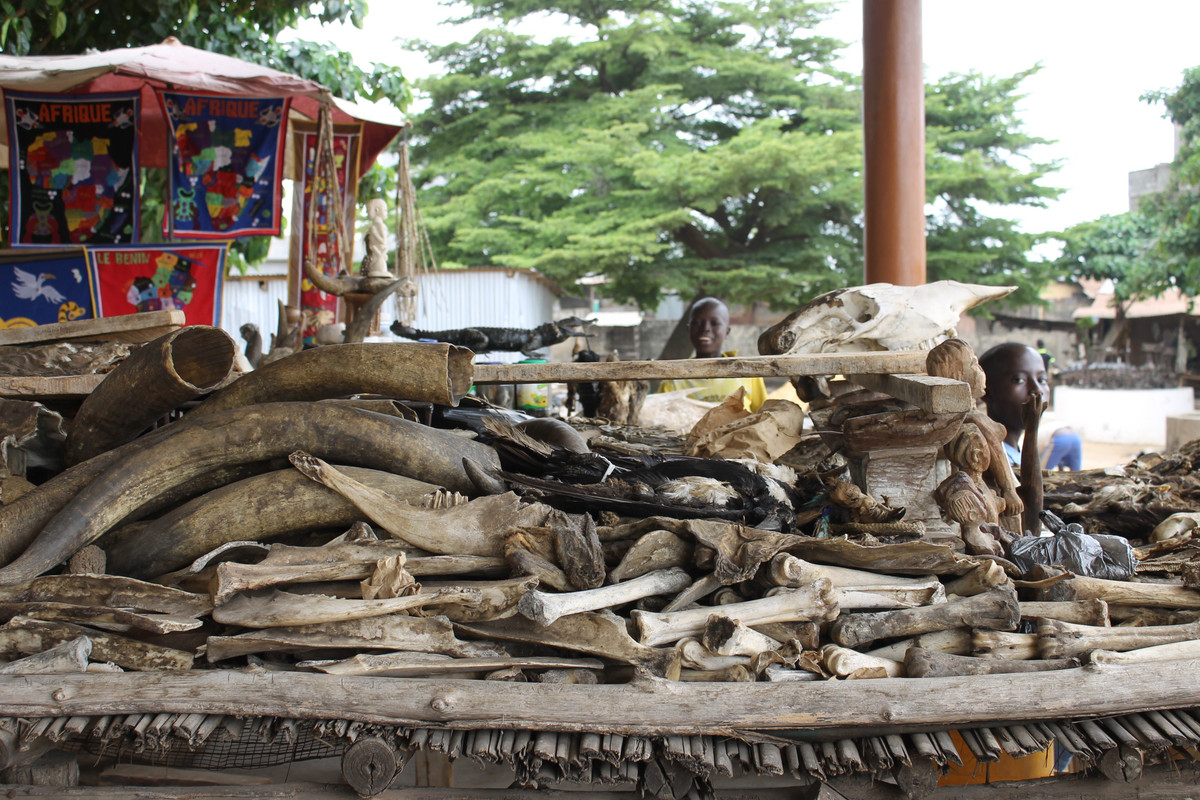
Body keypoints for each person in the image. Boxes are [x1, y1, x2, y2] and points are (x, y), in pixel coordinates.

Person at [657, 297, 767, 412]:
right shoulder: (673, 381)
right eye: (697, 323)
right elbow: (660, 419)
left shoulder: (749, 373)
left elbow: (764, 415)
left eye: (715, 323)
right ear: (688, 330)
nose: (705, 328)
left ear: (727, 332)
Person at [978, 342, 1052, 467]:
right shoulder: (984, 460)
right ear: (986, 391)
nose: (1037, 390)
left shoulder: (1015, 455)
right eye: (1019, 380)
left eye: (1042, 380)